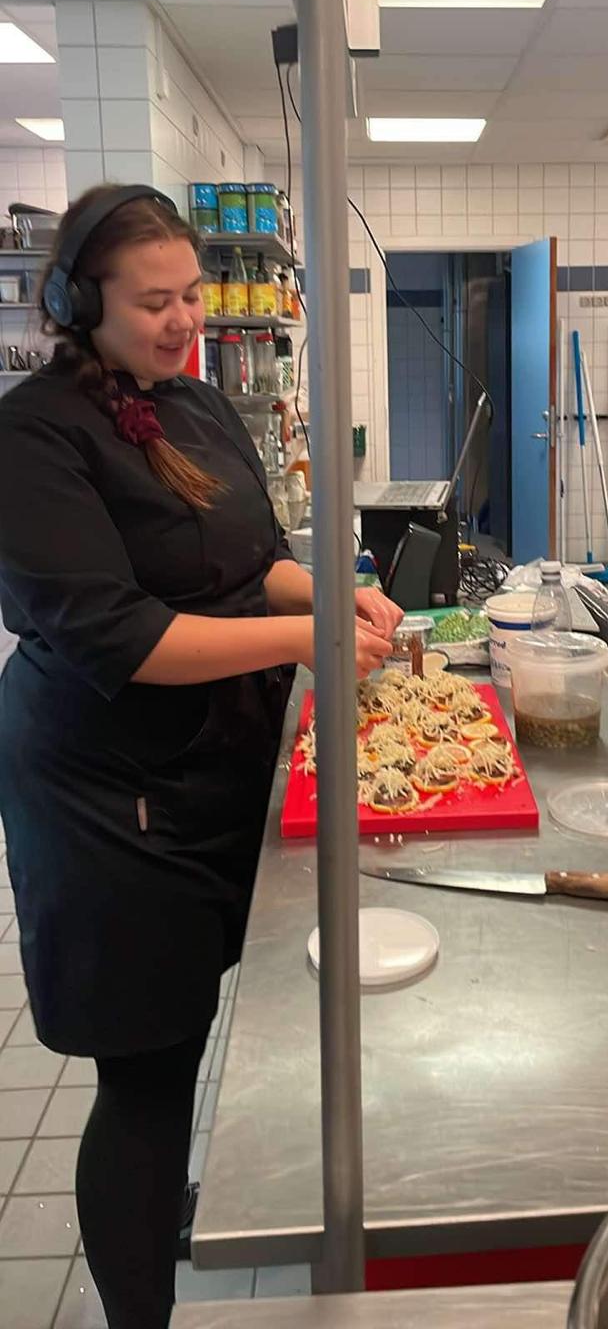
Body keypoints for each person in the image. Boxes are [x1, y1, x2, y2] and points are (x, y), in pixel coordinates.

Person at [0, 184, 402, 1329]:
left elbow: (249, 561)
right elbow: (120, 637)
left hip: (211, 764)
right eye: (154, 302)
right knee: (145, 1073)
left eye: (190, 295)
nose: (185, 320)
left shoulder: (197, 402)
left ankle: (168, 1199)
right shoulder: (31, 437)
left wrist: (332, 593)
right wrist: (307, 639)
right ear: (80, 301)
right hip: (108, 797)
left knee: (193, 1025)